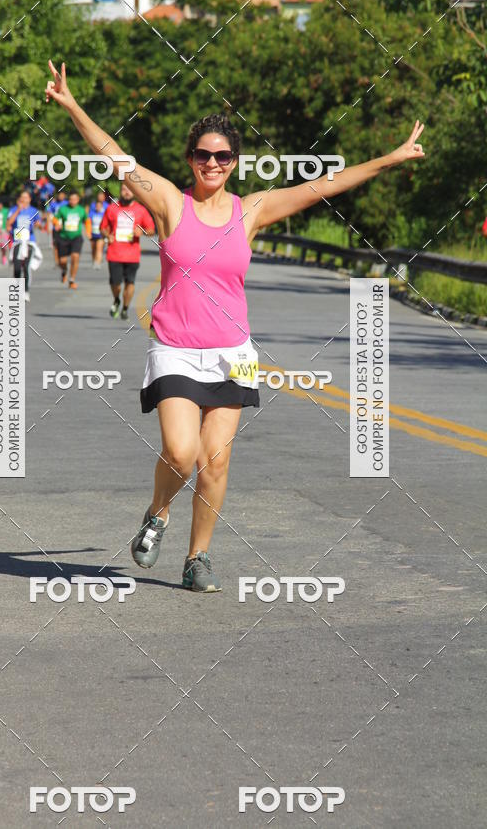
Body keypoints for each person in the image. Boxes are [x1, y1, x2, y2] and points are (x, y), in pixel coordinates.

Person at [46, 60, 425, 592]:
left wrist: (390, 158)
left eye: (222, 156)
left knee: (215, 463)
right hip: (175, 349)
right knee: (181, 453)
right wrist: (71, 105)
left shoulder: (251, 210)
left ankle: (197, 558)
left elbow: (326, 186)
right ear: (191, 159)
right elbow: (115, 156)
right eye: (203, 154)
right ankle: (158, 513)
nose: (212, 163)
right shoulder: (169, 204)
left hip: (234, 353)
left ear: (234, 163)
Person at [101, 183, 155, 319]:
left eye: (130, 190)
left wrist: (141, 231)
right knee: (116, 283)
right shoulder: (112, 208)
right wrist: (108, 236)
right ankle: (116, 299)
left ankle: (125, 308)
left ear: (134, 193)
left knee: (130, 283)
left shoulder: (141, 210)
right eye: (124, 189)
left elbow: (151, 230)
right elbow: (103, 228)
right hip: (114, 253)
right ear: (120, 191)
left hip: (132, 254)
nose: (127, 192)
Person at [6, 190, 44, 302]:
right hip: (17, 241)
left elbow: (39, 224)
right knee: (17, 267)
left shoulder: (33, 211)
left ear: (30, 199)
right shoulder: (13, 210)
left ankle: (26, 291)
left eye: (26, 197)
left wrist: (38, 225)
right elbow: (8, 224)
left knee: (26, 266)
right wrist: (18, 210)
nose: (24, 199)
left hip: (29, 241)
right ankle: (17, 288)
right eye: (22, 197)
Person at [53, 190, 87, 289]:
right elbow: (55, 218)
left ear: (78, 200)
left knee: (75, 256)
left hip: (76, 237)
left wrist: (88, 232)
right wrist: (57, 223)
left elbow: (87, 220)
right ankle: (64, 271)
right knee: (62, 261)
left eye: (75, 199)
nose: (73, 201)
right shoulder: (63, 209)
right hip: (63, 237)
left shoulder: (81, 210)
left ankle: (72, 279)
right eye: (71, 199)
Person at [88, 190, 108, 269]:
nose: (100, 198)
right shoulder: (92, 209)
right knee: (93, 249)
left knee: (99, 248)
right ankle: (94, 260)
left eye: (101, 196)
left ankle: (98, 263)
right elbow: (88, 221)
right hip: (93, 233)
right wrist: (88, 232)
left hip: (101, 233)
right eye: (99, 196)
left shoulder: (106, 207)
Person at [47, 190, 68, 266]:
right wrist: (48, 226)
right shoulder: (53, 204)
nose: (61, 197)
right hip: (55, 227)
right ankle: (57, 261)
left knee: (64, 244)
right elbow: (49, 215)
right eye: (59, 195)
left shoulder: (67, 204)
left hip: (65, 228)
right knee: (56, 245)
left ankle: (63, 259)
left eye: (62, 195)